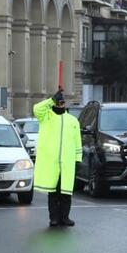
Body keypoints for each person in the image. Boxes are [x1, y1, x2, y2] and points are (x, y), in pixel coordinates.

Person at [33, 89, 82, 227]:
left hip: (67, 162)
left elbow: (78, 141)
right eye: (58, 102)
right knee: (53, 192)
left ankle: (65, 217)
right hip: (51, 162)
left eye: (62, 102)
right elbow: (37, 108)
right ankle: (54, 218)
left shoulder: (72, 121)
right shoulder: (46, 117)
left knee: (66, 192)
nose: (61, 104)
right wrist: (50, 100)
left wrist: (78, 159)